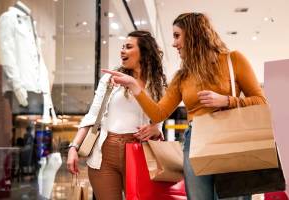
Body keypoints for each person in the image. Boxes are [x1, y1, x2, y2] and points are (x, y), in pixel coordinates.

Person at [102, 13, 267, 200]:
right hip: (196, 140)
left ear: (194, 34)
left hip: (230, 139)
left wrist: (227, 101)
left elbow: (261, 101)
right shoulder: (182, 76)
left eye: (177, 35)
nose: (173, 43)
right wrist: (133, 85)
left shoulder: (233, 59)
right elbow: (158, 114)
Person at [67, 30, 167, 199]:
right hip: (105, 154)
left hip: (141, 153)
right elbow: (92, 116)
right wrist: (73, 147)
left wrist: (156, 130)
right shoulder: (110, 80)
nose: (122, 51)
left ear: (144, 52)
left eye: (128, 47)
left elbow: (160, 118)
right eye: (122, 47)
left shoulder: (158, 85)